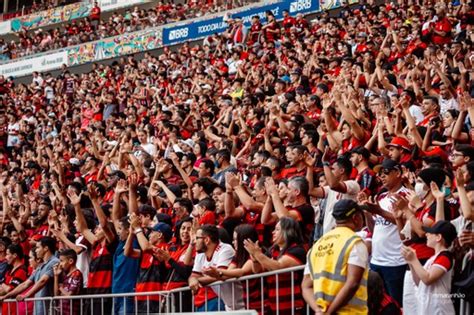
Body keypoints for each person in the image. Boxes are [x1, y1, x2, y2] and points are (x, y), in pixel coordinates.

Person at [302, 199, 369, 314]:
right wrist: (329, 312)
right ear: (356, 218)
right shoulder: (355, 242)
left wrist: (318, 310)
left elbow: (306, 286)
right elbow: (352, 283)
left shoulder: (317, 245)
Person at [244, 217, 306, 315]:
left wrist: (258, 254)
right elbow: (257, 270)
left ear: (288, 231)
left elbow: (278, 266)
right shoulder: (272, 250)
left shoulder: (297, 250)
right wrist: (255, 259)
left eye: (277, 229)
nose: (273, 232)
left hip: (294, 306)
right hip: (275, 306)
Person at [401, 220, 457, 314]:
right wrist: (410, 262)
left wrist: (414, 260)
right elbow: (419, 282)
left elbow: (428, 279)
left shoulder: (445, 256)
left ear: (438, 237)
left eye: (430, 233)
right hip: (428, 307)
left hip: (439, 309)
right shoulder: (433, 258)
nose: (426, 234)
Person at [0, 237, 59, 315]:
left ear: (46, 248)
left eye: (38, 247)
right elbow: (25, 284)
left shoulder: (54, 261)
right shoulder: (40, 267)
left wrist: (26, 295)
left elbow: (43, 281)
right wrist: (6, 296)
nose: (36, 250)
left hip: (48, 309)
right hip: (38, 309)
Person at [189, 224, 235, 312]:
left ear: (206, 240)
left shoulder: (225, 249)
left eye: (197, 238)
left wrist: (197, 281)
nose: (194, 241)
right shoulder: (200, 254)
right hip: (225, 301)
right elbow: (193, 276)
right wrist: (193, 280)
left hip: (237, 301)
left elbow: (219, 275)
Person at [53, 249, 83, 315]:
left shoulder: (77, 274)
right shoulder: (65, 275)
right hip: (62, 311)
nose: (60, 264)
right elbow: (56, 295)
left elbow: (69, 295)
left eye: (61, 261)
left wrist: (61, 288)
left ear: (71, 261)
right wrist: (56, 276)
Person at [0, 244, 28, 315]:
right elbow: (3, 290)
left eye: (7, 254)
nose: (6, 257)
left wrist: (2, 283)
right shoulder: (9, 271)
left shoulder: (21, 271)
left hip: (15, 310)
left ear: (15, 255)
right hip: (6, 309)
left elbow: (10, 289)